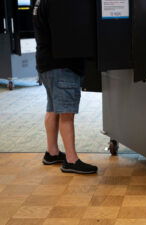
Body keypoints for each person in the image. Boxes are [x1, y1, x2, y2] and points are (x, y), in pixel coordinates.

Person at [33, 0, 97, 174]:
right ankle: (71, 160)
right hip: (61, 66)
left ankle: (52, 153)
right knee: (66, 114)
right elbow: (67, 35)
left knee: (53, 109)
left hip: (46, 63)